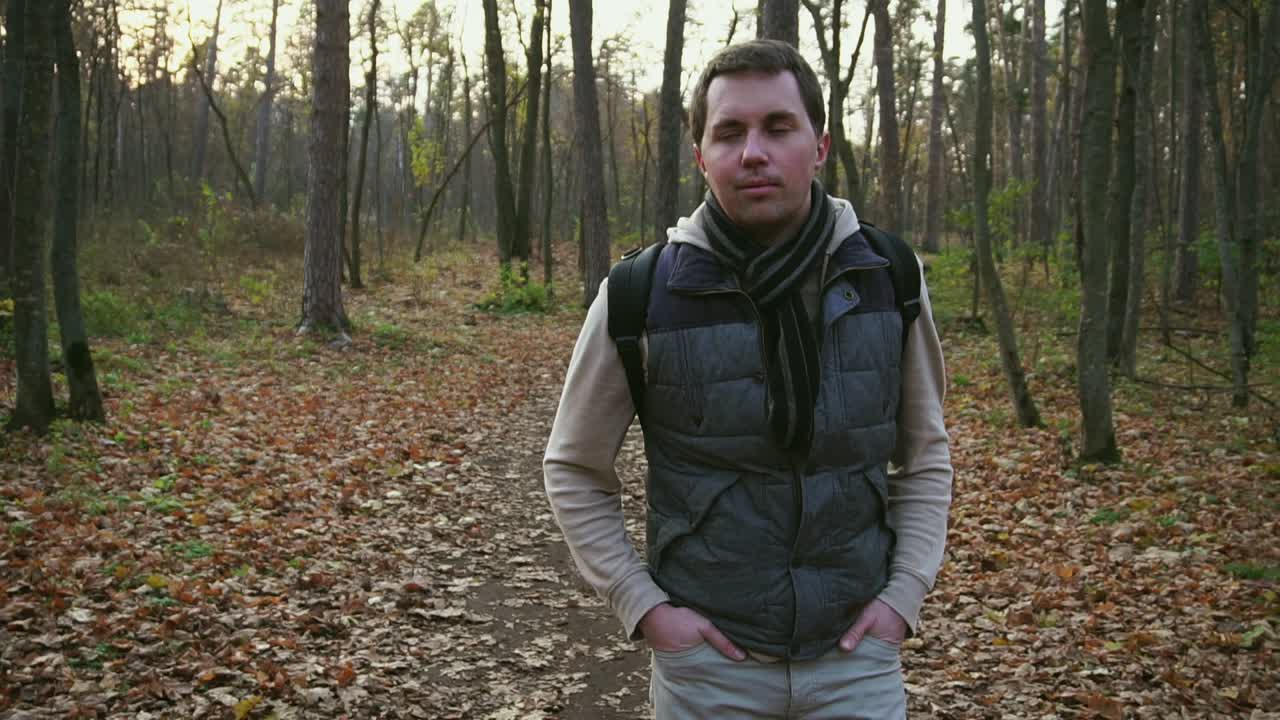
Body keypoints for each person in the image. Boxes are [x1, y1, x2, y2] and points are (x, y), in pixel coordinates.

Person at [544, 39, 952, 719]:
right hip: (709, 672)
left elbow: (926, 452)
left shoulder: (888, 276)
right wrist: (644, 609)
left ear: (819, 145)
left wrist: (902, 597)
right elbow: (574, 467)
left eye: (778, 127)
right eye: (728, 132)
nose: (753, 151)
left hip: (857, 665)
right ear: (702, 156)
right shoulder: (641, 293)